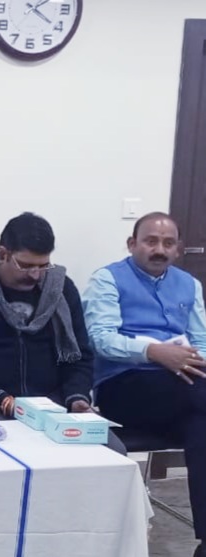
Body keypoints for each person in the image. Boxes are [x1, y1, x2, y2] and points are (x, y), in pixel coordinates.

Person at [84, 212, 206, 552]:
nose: (159, 250)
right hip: (125, 384)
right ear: (132, 244)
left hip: (186, 387)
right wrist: (154, 352)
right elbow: (100, 339)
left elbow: (201, 338)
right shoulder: (107, 279)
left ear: (178, 249)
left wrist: (197, 359)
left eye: (168, 243)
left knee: (202, 428)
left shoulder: (189, 284)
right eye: (151, 241)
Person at [0, 213, 104, 421]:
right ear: (2, 255)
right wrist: (3, 400)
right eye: (25, 266)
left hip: (54, 401)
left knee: (107, 440)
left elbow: (80, 357)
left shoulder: (61, 289)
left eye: (43, 266)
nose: (35, 274)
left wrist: (77, 396)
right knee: (7, 438)